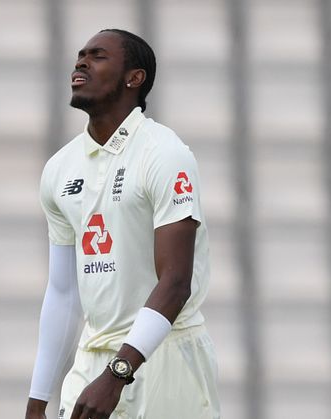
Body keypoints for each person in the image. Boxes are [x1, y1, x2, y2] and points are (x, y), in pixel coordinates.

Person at [25, 28, 220, 419]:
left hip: (165, 359)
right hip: (94, 359)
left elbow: (176, 282)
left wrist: (118, 372)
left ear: (134, 78)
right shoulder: (59, 169)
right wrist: (37, 400)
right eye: (80, 55)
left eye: (98, 56)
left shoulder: (165, 153)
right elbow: (64, 292)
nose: (81, 62)